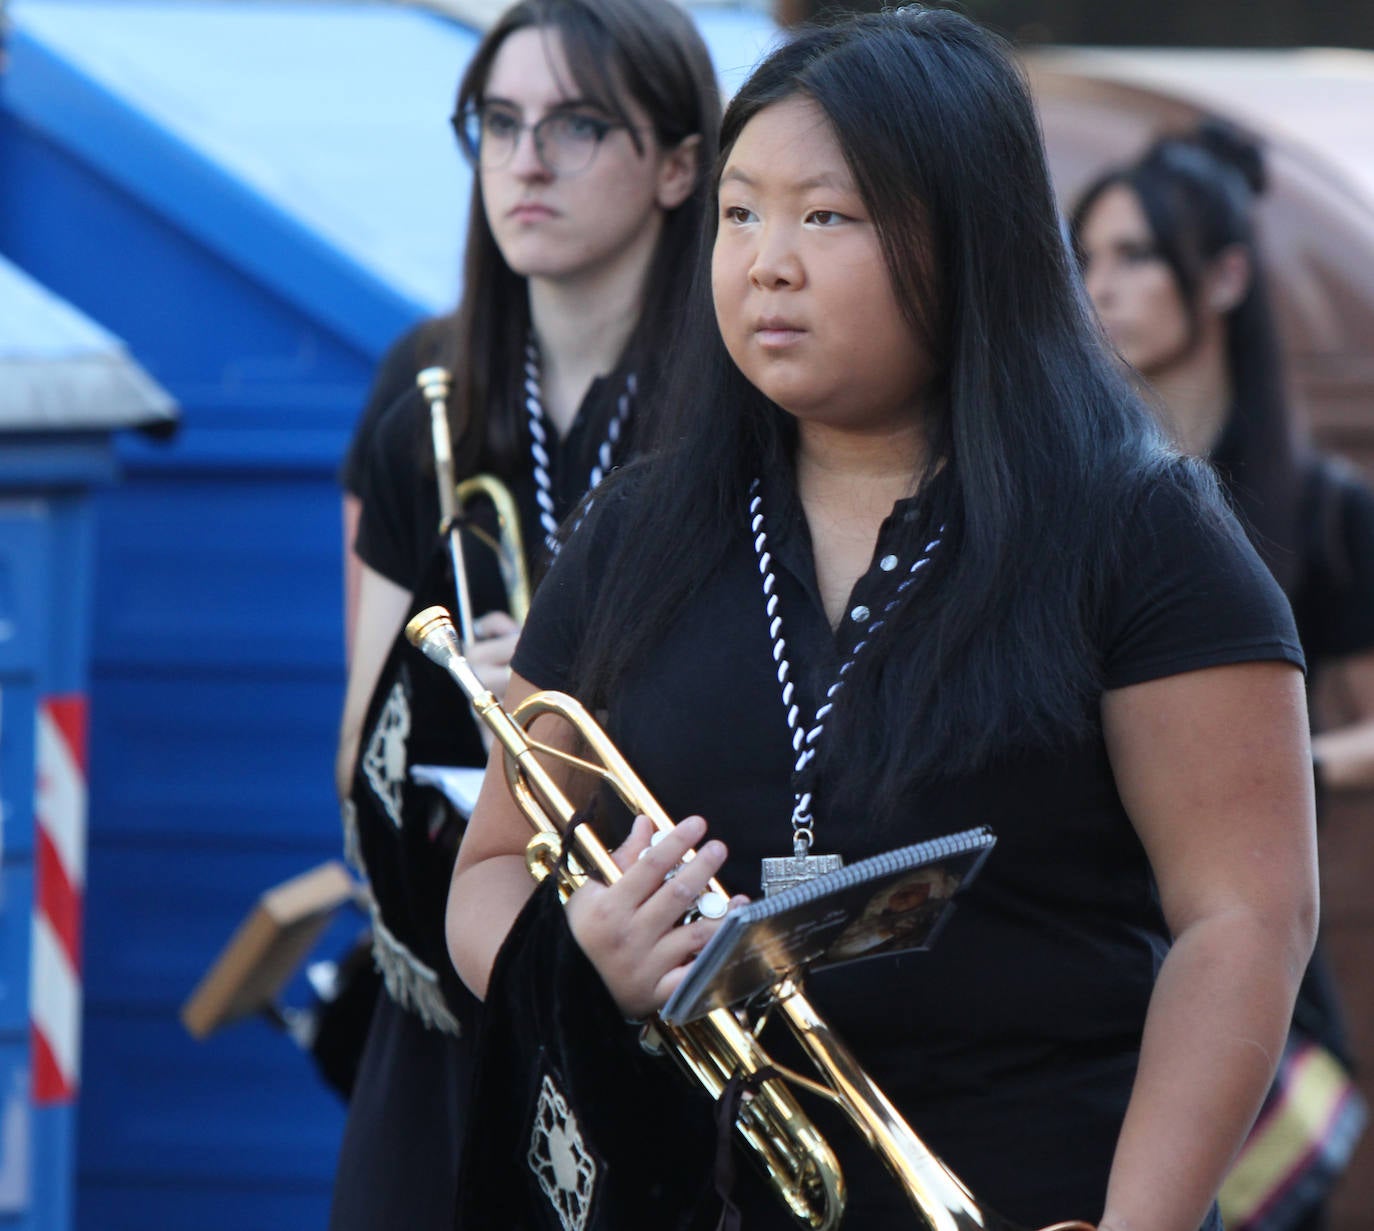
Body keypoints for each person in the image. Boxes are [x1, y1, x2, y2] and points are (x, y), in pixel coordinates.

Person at [445, 10, 1319, 1231]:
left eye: (828, 216)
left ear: (971, 240)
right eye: (740, 212)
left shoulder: (1142, 530)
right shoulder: (640, 527)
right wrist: (576, 955)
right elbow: (487, 868)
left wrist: (1143, 1222)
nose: (767, 262)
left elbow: (1246, 915)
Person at [329, 0, 721, 1225]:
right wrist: (445, 702)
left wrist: (562, 704)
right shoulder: (425, 402)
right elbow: (354, 762)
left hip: (657, 1016)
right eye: (497, 122)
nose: (526, 159)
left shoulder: (742, 416)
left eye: (578, 122)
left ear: (679, 164)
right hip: (451, 1006)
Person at [1073, 123, 1374, 1231]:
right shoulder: (1067, 502)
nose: (1102, 286)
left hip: (1257, 988)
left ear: (1228, 275)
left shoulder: (1324, 508)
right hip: (1093, 975)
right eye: (1086, 257)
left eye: (1136, 256)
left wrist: (1271, 757)